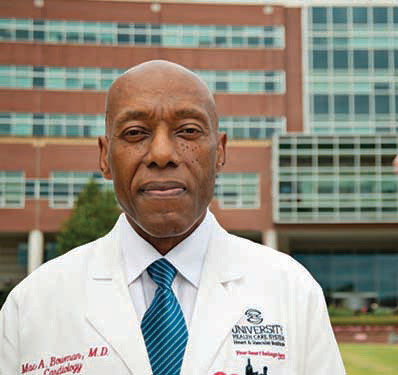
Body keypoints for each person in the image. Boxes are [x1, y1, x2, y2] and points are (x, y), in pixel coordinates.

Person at [0, 60, 345, 375]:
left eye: (188, 131)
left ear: (220, 152)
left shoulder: (292, 291)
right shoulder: (31, 305)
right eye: (135, 133)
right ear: (105, 157)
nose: (162, 154)